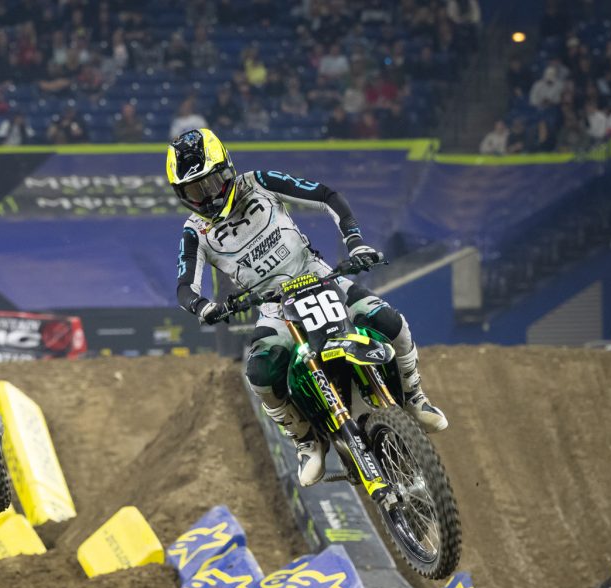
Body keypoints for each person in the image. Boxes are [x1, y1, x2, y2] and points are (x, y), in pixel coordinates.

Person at [166, 129, 447, 486]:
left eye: (211, 183)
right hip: (274, 307)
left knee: (391, 323)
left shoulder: (259, 182)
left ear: (227, 169)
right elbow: (184, 286)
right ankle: (307, 441)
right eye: (194, 191)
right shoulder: (195, 232)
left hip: (322, 279)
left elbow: (326, 196)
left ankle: (415, 397)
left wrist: (355, 242)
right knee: (261, 374)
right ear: (182, 195)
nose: (206, 196)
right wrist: (203, 306)